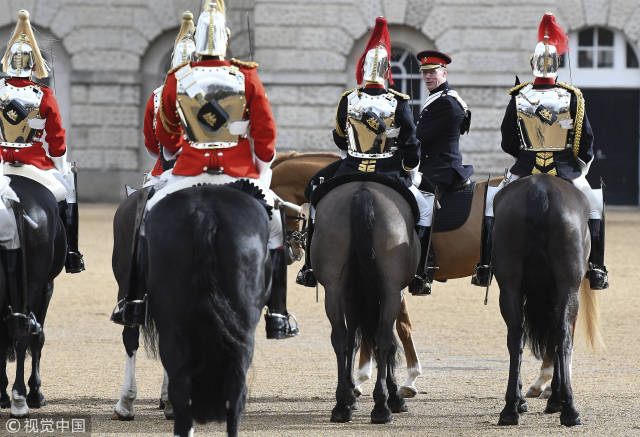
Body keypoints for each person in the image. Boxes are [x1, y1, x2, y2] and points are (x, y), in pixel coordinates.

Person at [148, 0, 297, 339]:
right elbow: (265, 132)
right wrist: (261, 168)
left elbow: (166, 133)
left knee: (147, 219)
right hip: (238, 174)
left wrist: (177, 148)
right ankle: (277, 312)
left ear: (197, 41)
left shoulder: (178, 77)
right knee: (274, 227)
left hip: (187, 173)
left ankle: (134, 300)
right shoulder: (245, 75)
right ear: (225, 41)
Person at [471, 13, 608, 290]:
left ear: (533, 64)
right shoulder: (573, 97)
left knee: (491, 203)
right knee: (594, 204)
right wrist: (579, 166)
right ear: (557, 65)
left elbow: (507, 140)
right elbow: (586, 143)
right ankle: (596, 268)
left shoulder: (519, 96)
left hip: (525, 168)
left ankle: (484, 267)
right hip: (565, 170)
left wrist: (524, 156)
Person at [296, 17, 431, 291]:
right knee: (425, 206)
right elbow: (411, 143)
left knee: (316, 198)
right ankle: (418, 273)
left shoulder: (349, 98)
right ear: (386, 69)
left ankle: (308, 267)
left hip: (351, 168)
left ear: (364, 67)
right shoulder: (399, 101)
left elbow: (338, 138)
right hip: (389, 170)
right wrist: (412, 171)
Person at [0, 10, 84, 275]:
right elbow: (57, 138)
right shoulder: (44, 95)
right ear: (31, 64)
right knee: (67, 187)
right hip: (35, 165)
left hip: (1, 163)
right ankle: (71, 252)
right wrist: (60, 162)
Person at [408, 50, 473, 295]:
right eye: (425, 72)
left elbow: (420, 137)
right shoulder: (437, 97)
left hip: (441, 168)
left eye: (433, 72)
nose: (428, 76)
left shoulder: (446, 101)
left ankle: (423, 266)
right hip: (432, 164)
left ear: (444, 73)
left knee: (418, 203)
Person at [141, 11, 197, 187]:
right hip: (203, 168)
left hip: (163, 172)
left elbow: (151, 145)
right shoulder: (211, 90)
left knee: (142, 208)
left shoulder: (158, 96)